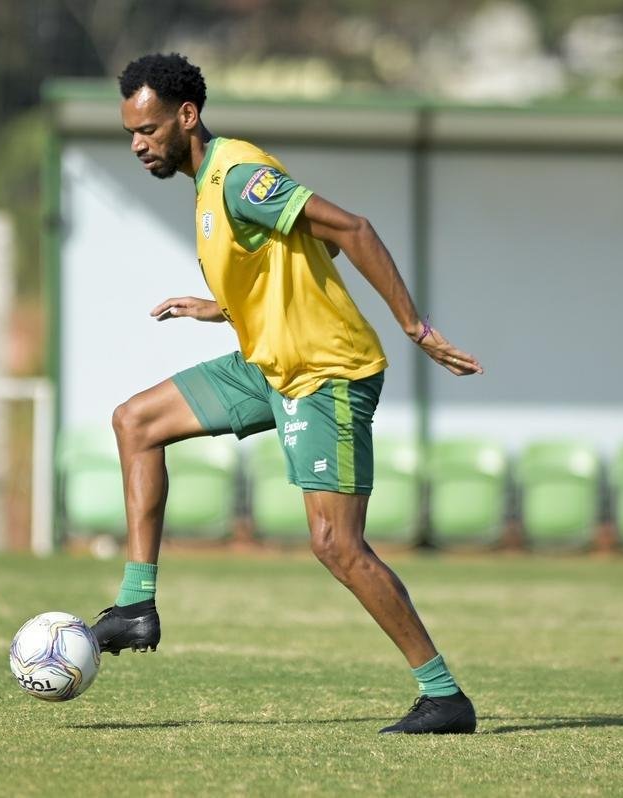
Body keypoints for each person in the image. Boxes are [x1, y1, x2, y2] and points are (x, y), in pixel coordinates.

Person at [91, 53, 484, 735]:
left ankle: (444, 696)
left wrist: (415, 327)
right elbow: (293, 258)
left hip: (326, 373)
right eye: (131, 132)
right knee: (136, 421)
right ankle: (134, 606)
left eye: (148, 129)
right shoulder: (211, 185)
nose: (138, 144)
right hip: (271, 365)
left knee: (336, 545)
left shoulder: (240, 177)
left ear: (186, 116)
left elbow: (349, 231)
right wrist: (221, 306)